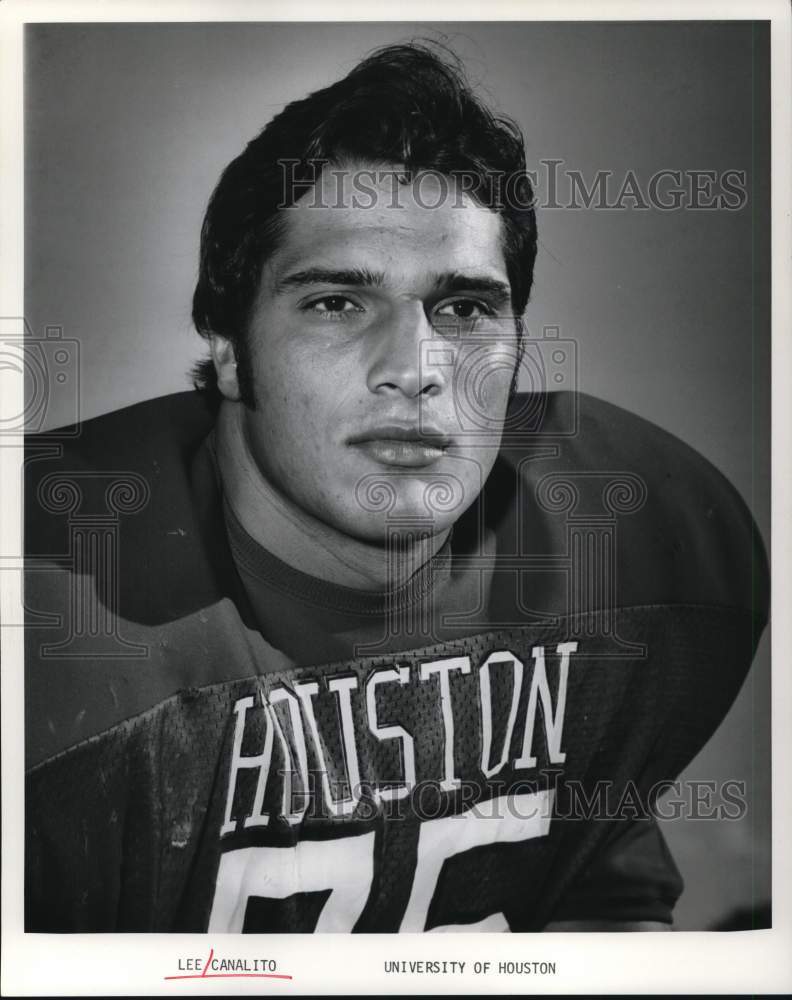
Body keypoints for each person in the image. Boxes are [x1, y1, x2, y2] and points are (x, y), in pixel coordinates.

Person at [24, 42, 768, 933]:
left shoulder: (606, 566)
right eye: (338, 303)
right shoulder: (51, 628)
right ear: (227, 347)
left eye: (464, 309)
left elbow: (602, 903)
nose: (415, 368)